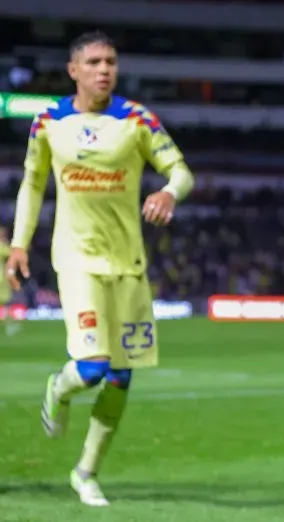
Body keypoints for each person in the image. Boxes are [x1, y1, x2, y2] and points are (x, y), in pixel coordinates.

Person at [7, 31, 194, 507]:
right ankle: (59, 388)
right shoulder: (49, 120)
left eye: (110, 61)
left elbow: (182, 172)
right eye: (93, 62)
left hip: (128, 262)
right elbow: (32, 183)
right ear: (74, 70)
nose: (104, 69)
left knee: (121, 377)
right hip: (76, 257)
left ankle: (86, 472)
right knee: (92, 367)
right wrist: (19, 245)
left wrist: (169, 191)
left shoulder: (136, 120)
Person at [0, 226, 19, 336]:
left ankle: (10, 326)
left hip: (2, 279)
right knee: (5, 304)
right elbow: (11, 253)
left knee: (5, 304)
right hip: (1, 280)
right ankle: (10, 326)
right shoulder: (1, 246)